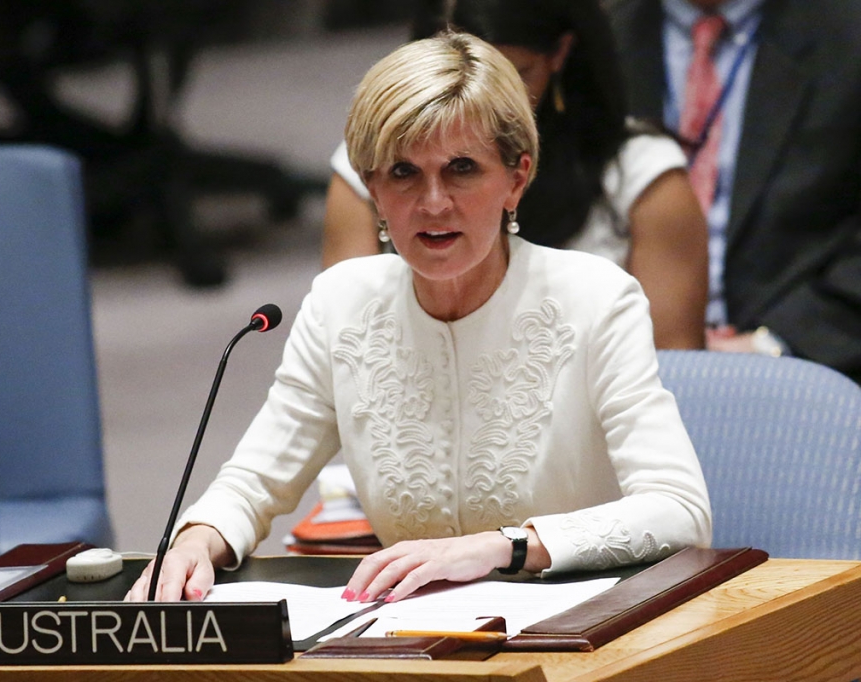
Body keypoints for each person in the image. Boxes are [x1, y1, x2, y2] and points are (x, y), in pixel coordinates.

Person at [126, 32, 711, 604]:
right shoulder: (341, 304)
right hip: (414, 641)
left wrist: (502, 547)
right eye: (404, 173)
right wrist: (196, 541)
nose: (433, 203)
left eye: (461, 168)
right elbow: (255, 483)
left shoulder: (597, 299)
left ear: (516, 178)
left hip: (580, 630)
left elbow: (680, 511)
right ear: (373, 190)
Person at [322, 0, 709, 351]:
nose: (492, 101)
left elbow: (674, 377)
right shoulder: (367, 169)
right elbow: (342, 350)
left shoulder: (644, 179)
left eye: (515, 75)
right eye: (405, 173)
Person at [607, 0, 861, 381]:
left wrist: (777, 344)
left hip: (814, 366)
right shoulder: (593, 37)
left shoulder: (847, 35)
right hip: (622, 367)